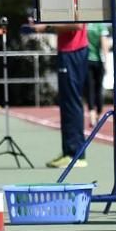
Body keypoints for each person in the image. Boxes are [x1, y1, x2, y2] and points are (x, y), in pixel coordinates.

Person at [28, 17, 89, 169]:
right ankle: (69, 151)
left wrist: (46, 26)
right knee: (67, 103)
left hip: (73, 51)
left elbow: (77, 25)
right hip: (68, 51)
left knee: (72, 103)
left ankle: (76, 154)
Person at [84, 22, 112, 128]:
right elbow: (104, 43)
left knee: (90, 89)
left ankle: (92, 115)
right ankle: (98, 114)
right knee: (98, 88)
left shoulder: (85, 25)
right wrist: (106, 61)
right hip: (98, 60)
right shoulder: (100, 25)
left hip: (86, 60)